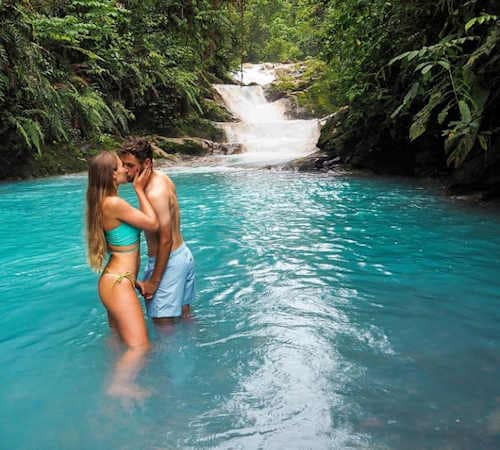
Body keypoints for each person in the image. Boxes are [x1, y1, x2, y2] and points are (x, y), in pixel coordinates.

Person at [85, 150, 158, 398]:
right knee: (140, 347)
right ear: (111, 174)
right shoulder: (115, 203)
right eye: (121, 166)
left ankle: (111, 376)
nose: (127, 170)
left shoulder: (104, 201)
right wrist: (139, 189)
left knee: (118, 340)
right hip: (117, 283)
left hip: (114, 281)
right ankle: (120, 386)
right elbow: (152, 223)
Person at [119, 138, 195, 327]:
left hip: (168, 262)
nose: (125, 170)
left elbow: (165, 240)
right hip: (183, 255)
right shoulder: (162, 177)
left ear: (147, 164)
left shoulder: (155, 193)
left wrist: (153, 281)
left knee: (163, 328)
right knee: (185, 318)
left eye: (130, 165)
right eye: (123, 165)